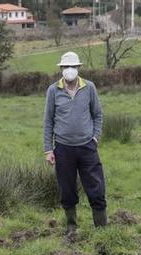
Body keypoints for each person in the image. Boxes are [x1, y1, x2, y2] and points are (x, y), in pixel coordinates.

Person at [43, 51, 107, 234]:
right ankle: (71, 226)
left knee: (96, 187)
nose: (69, 70)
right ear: (61, 69)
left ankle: (101, 229)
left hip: (87, 147)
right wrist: (49, 150)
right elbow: (48, 121)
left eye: (72, 67)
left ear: (78, 68)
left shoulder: (89, 87)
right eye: (65, 67)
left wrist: (95, 137)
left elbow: (98, 114)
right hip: (63, 149)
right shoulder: (53, 90)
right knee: (67, 190)